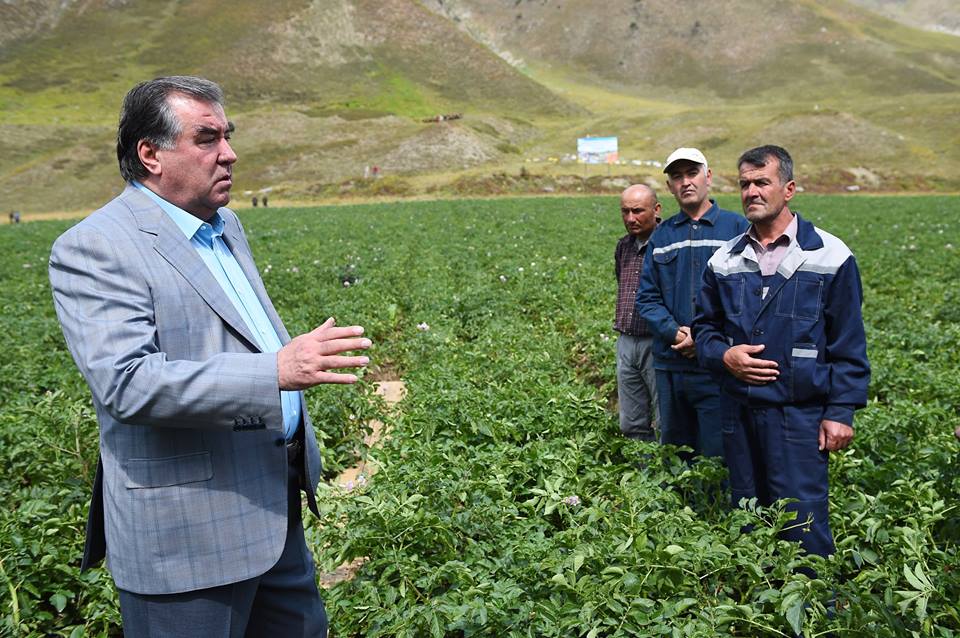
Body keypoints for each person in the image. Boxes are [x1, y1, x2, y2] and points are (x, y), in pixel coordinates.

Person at [48, 76, 372, 636]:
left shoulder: (224, 227)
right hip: (186, 537)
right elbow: (128, 384)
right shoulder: (96, 245)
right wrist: (275, 370)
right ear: (150, 154)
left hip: (272, 511)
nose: (229, 153)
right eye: (207, 138)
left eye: (227, 135)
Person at [694, 145, 870, 558]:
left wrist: (840, 411)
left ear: (788, 189)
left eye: (761, 182)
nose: (751, 192)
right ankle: (756, 615)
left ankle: (811, 616)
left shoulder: (830, 256)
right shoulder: (724, 260)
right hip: (740, 414)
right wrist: (725, 356)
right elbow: (704, 330)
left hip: (800, 417)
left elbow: (848, 341)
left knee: (803, 525)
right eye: (744, 184)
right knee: (748, 519)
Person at [636, 148, 748, 458]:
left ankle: (712, 507)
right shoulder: (662, 236)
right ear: (670, 186)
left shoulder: (737, 229)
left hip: (718, 366)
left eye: (692, 173)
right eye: (677, 177)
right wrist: (675, 333)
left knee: (718, 454)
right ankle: (679, 508)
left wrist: (705, 339)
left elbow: (747, 297)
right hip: (671, 367)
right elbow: (647, 298)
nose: (685, 182)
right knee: (674, 453)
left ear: (708, 177)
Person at [614, 184, 661, 441]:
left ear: (656, 210)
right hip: (626, 340)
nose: (631, 218)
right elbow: (622, 282)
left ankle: (667, 478)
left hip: (657, 342)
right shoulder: (624, 246)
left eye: (637, 211)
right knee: (631, 422)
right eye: (625, 212)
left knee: (665, 417)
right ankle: (642, 476)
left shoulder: (667, 244)